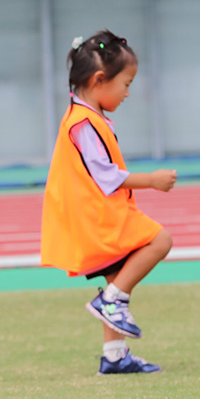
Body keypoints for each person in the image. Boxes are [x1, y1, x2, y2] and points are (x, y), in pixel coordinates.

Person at [41, 30, 176, 375]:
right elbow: (106, 176)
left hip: (99, 215)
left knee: (119, 272)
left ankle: (115, 356)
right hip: (97, 218)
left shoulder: (86, 117)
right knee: (160, 239)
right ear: (100, 80)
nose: (128, 92)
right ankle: (112, 300)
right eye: (126, 83)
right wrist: (152, 181)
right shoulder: (83, 123)